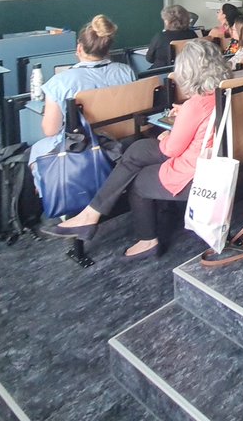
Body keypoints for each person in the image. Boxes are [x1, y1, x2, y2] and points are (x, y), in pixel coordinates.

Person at [44, 39, 230, 259]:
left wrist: (169, 134)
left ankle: (146, 239)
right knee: (137, 150)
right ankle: (90, 214)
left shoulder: (195, 104)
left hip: (195, 172)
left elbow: (171, 149)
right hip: (211, 157)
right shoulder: (224, 92)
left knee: (138, 180)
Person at [28, 15, 136, 172]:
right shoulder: (126, 71)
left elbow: (50, 130)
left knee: (36, 149)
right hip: (124, 138)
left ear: (79, 48)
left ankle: (48, 193)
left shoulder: (60, 81)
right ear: (108, 48)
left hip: (84, 147)